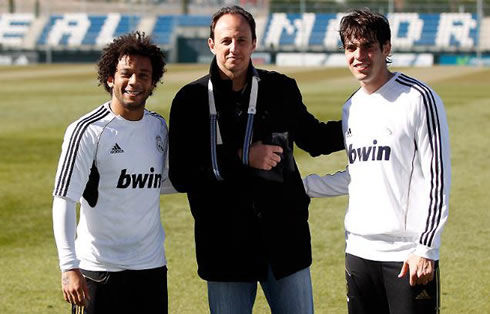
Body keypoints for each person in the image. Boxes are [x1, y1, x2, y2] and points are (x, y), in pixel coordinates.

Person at [168, 5, 344, 314]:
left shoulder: (280, 88)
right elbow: (182, 173)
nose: (233, 48)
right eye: (225, 41)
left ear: (253, 43)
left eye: (241, 40)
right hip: (224, 248)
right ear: (212, 44)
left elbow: (314, 139)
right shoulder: (190, 100)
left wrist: (364, 125)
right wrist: (241, 157)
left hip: (284, 244)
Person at [303, 9, 451, 314]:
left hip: (406, 256)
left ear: (386, 48)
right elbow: (359, 175)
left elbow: (439, 179)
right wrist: (304, 186)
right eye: (351, 48)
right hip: (358, 252)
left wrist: (425, 249)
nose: (359, 55)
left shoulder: (418, 98)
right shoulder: (351, 107)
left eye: (368, 46)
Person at [52, 31, 170, 314]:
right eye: (126, 73)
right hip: (99, 271)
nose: (134, 82)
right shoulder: (87, 130)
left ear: (153, 82)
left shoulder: (158, 127)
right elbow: (64, 199)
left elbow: (160, 181)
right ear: (110, 78)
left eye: (143, 75)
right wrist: (69, 266)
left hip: (151, 268)